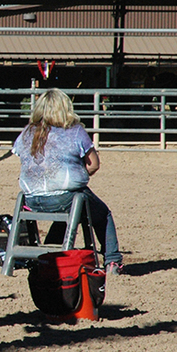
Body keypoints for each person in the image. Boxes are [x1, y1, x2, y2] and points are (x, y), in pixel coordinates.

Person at [11, 88, 123, 274]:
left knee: (69, 211)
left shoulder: (27, 132)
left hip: (31, 199)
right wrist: (74, 173)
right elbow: (93, 164)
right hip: (66, 197)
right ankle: (112, 261)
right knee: (102, 214)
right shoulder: (74, 131)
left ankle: (49, 254)